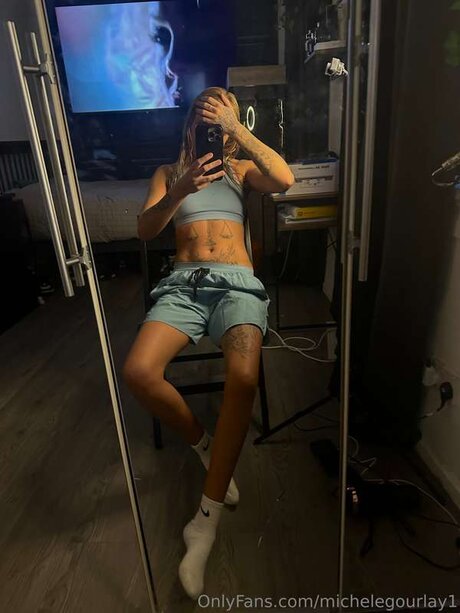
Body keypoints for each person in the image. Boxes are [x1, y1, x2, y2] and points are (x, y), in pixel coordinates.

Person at [122, 86, 294, 599]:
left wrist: (238, 130)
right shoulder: (167, 173)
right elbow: (145, 230)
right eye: (206, 112)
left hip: (237, 284)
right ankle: (202, 443)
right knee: (138, 372)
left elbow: (285, 179)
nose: (213, 122)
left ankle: (205, 519)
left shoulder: (241, 170)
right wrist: (179, 189)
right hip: (184, 286)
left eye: (223, 114)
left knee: (243, 377)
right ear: (190, 123)